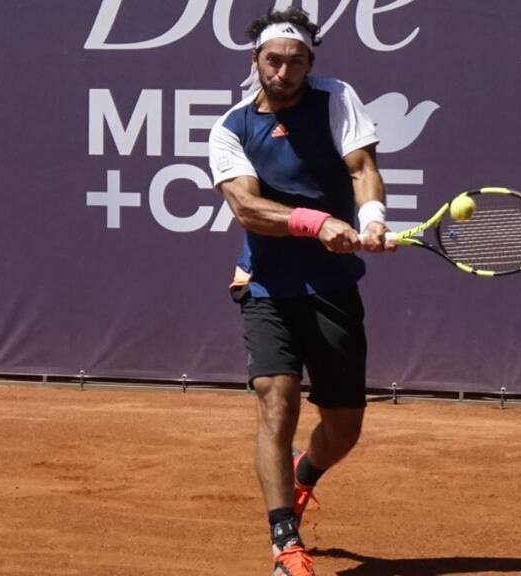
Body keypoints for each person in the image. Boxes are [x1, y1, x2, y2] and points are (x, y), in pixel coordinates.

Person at [208, 6, 390, 575]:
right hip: (267, 286)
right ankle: (285, 544)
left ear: (310, 63)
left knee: (343, 428)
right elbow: (247, 207)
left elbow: (361, 168)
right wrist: (317, 223)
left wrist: (374, 216)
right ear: (255, 61)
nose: (284, 72)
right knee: (276, 403)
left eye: (295, 62)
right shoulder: (231, 127)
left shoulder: (335, 98)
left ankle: (303, 473)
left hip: (333, 287)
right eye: (273, 60)